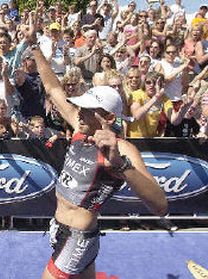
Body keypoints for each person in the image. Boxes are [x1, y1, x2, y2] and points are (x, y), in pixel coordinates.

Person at [24, 11, 167, 278]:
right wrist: (34, 46)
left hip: (79, 237)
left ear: (109, 117)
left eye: (88, 109)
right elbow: (54, 89)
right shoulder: (81, 126)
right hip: (60, 228)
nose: (79, 111)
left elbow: (160, 206)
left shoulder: (123, 149)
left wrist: (121, 166)